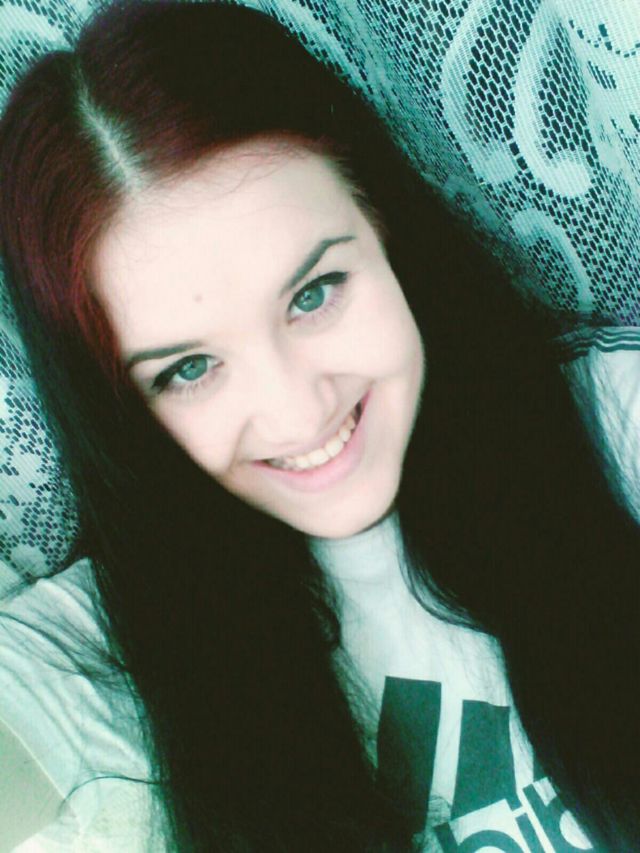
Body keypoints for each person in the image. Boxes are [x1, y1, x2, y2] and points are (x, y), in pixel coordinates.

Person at [0, 0, 637, 849]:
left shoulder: (615, 424)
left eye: (313, 293)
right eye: (189, 369)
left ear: (381, 221)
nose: (298, 411)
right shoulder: (97, 657)